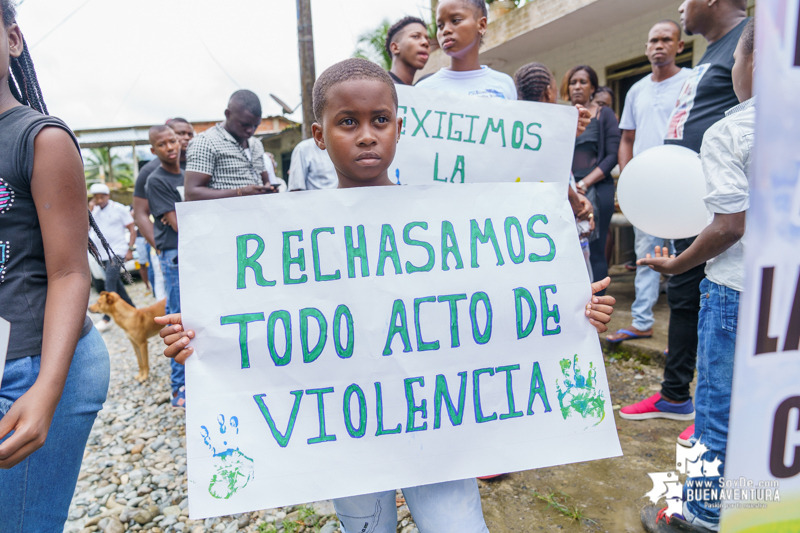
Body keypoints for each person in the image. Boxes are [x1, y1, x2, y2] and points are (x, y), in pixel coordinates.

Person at [156, 57, 617, 533]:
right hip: (346, 437)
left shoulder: (447, 219)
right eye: (347, 123)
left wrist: (570, 312)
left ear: (401, 126)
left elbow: (497, 302)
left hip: (443, 431)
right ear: (318, 135)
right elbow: (256, 326)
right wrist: (200, 340)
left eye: (380, 121)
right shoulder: (285, 232)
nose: (367, 135)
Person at [639, 17, 755, 533]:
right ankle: (761, 502)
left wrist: (678, 263)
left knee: (716, 409)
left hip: (734, 290)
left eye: (734, 61)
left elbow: (730, 225)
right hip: (784, 292)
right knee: (767, 408)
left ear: (751, 65)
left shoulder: (730, 130)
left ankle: (705, 514)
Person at [0, 1, 110, 527]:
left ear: (13, 39)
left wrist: (46, 388)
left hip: (31, 369)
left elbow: (70, 273)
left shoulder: (40, 139)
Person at [620, 0, 749, 438]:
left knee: (723, 306)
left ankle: (720, 416)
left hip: (722, 202)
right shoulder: (714, 50)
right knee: (685, 298)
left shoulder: (750, 42)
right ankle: (676, 395)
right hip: (687, 199)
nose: (680, 6)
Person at [606, 20, 692, 345]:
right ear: (646, 48)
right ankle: (642, 322)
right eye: (653, 40)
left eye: (666, 39)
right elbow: (626, 139)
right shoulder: (636, 90)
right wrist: (628, 178)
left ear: (679, 46)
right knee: (646, 256)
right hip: (648, 188)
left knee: (689, 256)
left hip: (684, 185)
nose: (659, 45)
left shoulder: (691, 82)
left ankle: (688, 332)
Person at [514, 61, 596, 276]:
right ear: (549, 92)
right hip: (558, 222)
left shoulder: (518, 130)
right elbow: (552, 174)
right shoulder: (544, 131)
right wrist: (579, 206)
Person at [561, 65, 621, 287]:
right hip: (569, 191)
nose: (577, 86)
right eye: (573, 82)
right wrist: (571, 187)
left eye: (583, 82)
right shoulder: (565, 116)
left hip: (596, 187)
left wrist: (584, 183)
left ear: (593, 87)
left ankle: (598, 302)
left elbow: (612, 156)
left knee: (596, 248)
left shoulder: (604, 114)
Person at [144, 125, 186, 409]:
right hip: (174, 254)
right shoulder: (156, 181)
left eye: (173, 141)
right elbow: (178, 223)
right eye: (163, 144)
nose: (171, 147)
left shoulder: (188, 174)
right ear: (153, 150)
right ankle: (178, 386)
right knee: (177, 317)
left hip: (193, 253)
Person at [133, 118, 194, 299]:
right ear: (154, 149)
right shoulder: (153, 175)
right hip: (171, 247)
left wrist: (180, 210)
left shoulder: (191, 170)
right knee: (175, 305)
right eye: (180, 134)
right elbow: (140, 214)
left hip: (190, 245)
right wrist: (159, 247)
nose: (185, 138)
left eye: (189, 134)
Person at [184, 90, 277, 201]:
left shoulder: (256, 144)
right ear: (228, 114)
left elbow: (265, 181)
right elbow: (191, 193)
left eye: (255, 125)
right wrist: (241, 192)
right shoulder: (206, 142)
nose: (250, 131)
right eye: (245, 124)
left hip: (257, 215)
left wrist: (269, 188)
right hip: (223, 216)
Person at [415, 0, 516, 99]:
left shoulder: (505, 84)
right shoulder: (423, 90)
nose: (445, 30)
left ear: (482, 25)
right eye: (440, 26)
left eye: (455, 20)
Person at [88, 183, 137, 332]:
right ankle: (134, 311)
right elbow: (86, 229)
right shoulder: (93, 211)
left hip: (118, 251)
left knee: (109, 282)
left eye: (102, 197)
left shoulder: (119, 209)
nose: (100, 200)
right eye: (97, 198)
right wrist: (89, 212)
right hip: (101, 254)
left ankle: (106, 318)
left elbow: (132, 228)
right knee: (118, 287)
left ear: (108, 196)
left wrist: (129, 249)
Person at [386, 16, 430, 85]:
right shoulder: (379, 87)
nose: (426, 42)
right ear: (395, 48)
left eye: (428, 40)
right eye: (415, 36)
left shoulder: (421, 90)